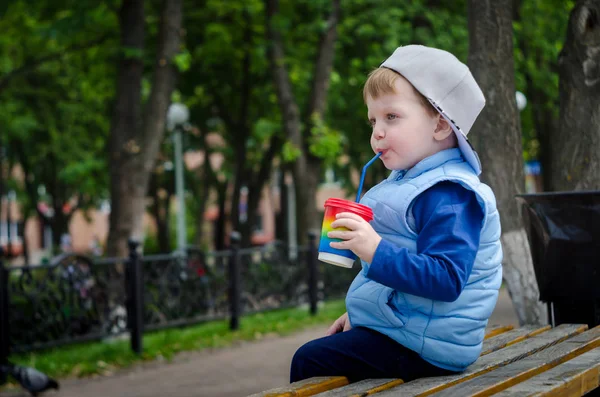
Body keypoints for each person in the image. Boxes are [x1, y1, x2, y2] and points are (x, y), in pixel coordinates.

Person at [290, 45, 503, 383]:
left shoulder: (449, 194)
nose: (377, 131)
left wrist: (372, 248)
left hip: (429, 346)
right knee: (322, 354)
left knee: (310, 361)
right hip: (411, 332)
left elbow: (445, 280)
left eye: (392, 117)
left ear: (440, 126)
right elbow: (405, 275)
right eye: (373, 119)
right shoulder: (414, 183)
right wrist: (362, 315)